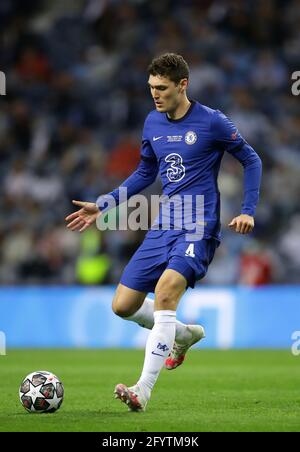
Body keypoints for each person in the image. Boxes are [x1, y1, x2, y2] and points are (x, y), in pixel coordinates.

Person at [65, 53, 262, 412]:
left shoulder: (212, 122)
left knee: (166, 291)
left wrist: (247, 210)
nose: (155, 95)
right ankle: (183, 335)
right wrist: (106, 203)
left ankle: (142, 389)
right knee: (123, 306)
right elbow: (145, 173)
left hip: (198, 224)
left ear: (182, 85)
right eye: (151, 88)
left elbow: (251, 159)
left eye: (162, 88)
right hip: (163, 224)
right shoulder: (152, 122)